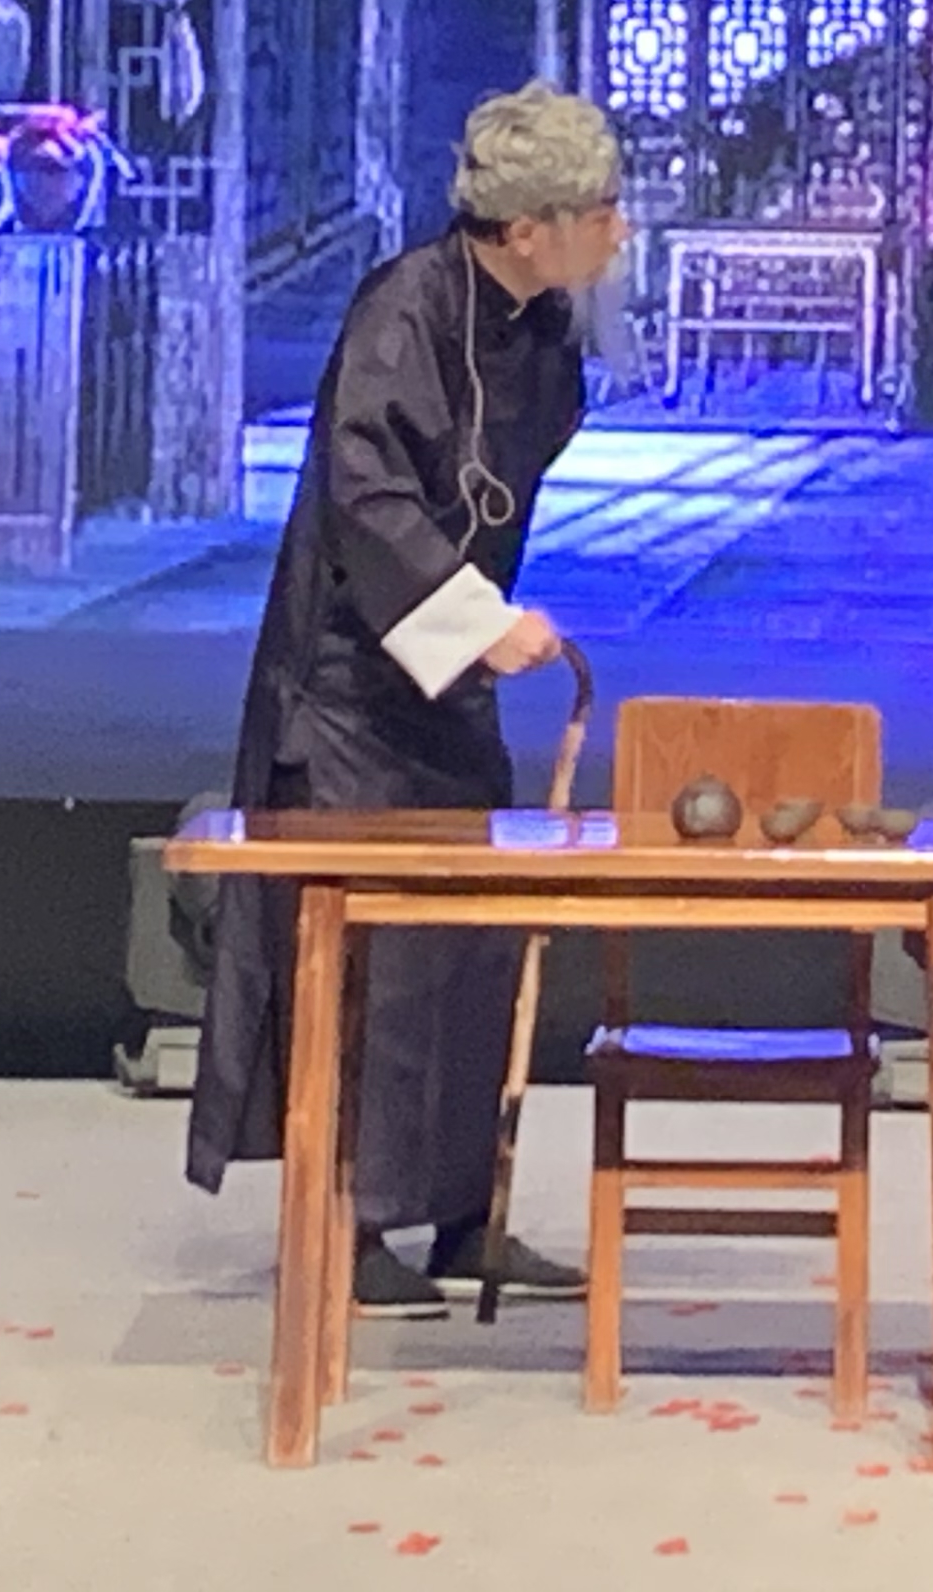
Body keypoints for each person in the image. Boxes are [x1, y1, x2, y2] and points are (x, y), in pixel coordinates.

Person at [185, 84, 630, 1317]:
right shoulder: (403, 310)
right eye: (600, 211)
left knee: (471, 947)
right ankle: (352, 1220)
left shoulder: (538, 321)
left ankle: (466, 1214)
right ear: (528, 227)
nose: (620, 231)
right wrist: (480, 624)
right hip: (350, 691)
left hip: (445, 695)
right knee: (371, 970)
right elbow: (369, 502)